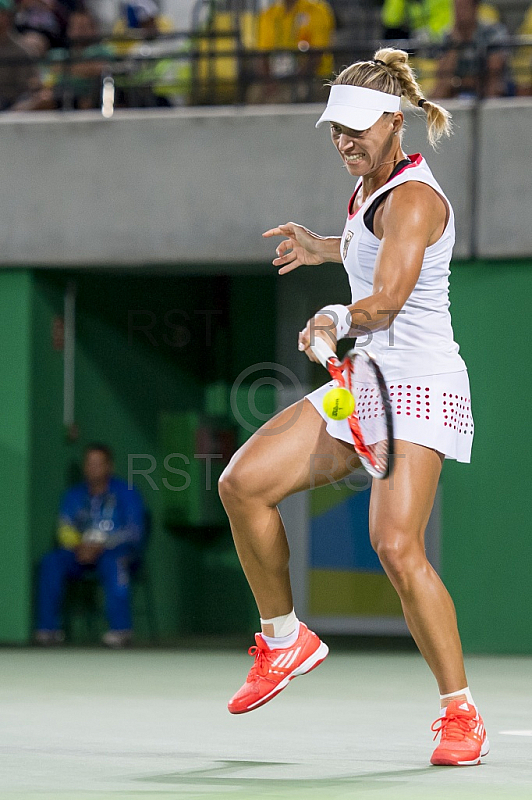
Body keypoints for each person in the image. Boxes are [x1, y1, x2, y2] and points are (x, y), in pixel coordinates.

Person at [219, 47, 488, 767]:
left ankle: (459, 713)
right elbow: (380, 251)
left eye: (358, 129)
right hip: (367, 374)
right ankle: (285, 641)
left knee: (397, 548)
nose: (344, 141)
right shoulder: (375, 186)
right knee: (242, 484)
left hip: (420, 382)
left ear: (394, 121)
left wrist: (335, 314)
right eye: (336, 129)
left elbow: (390, 298)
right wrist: (327, 246)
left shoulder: (414, 197)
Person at [35, 443, 145, 648]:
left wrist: (102, 545)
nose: (93, 468)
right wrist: (80, 546)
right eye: (89, 463)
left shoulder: (127, 492)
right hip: (79, 554)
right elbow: (64, 529)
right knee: (51, 562)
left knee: (116, 564)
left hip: (114, 553)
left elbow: (134, 532)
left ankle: (121, 630)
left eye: (98, 463)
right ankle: (47, 630)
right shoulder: (73, 495)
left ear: (109, 466)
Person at [247, 0, 335, 104]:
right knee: (254, 94)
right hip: (276, 77)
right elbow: (263, 54)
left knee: (286, 97)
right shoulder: (269, 13)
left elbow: (317, 55)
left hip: (311, 78)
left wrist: (294, 80)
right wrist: (269, 82)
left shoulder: (317, 10)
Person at [431, 0, 508, 98]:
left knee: (494, 83)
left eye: (464, 7)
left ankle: (489, 112)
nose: (459, 12)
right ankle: (432, 112)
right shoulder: (449, 35)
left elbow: (495, 68)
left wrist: (471, 81)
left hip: (484, 82)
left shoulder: (493, 32)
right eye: (457, 8)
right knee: (442, 85)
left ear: (475, 8)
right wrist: (455, 45)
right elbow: (443, 72)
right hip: (457, 85)